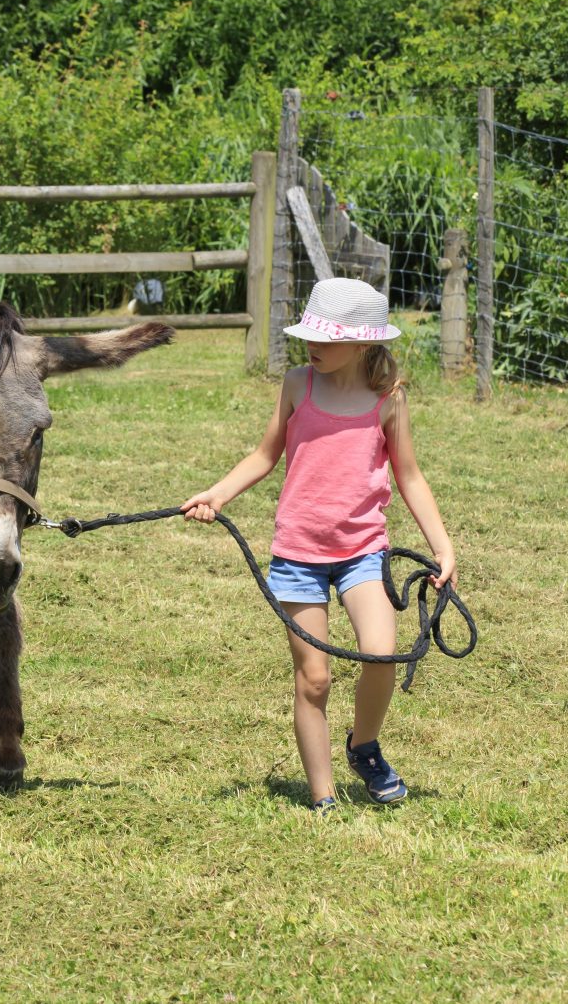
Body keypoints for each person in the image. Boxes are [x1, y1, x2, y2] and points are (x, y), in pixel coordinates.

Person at [181, 277, 456, 815]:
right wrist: (216, 494)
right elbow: (264, 457)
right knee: (313, 678)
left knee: (381, 653)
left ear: (362, 343)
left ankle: (364, 745)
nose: (313, 345)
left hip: (362, 553)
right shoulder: (296, 384)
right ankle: (322, 795)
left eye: (326, 339)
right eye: (310, 334)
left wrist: (443, 547)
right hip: (298, 556)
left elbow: (411, 477)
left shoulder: (387, 400)